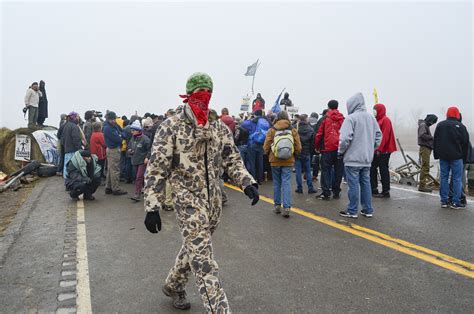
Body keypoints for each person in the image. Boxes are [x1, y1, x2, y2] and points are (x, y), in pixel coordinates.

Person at [143, 72, 259, 313]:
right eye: (199, 94)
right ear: (188, 95)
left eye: (208, 93)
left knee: (194, 248)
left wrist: (247, 182)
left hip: (214, 201)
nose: (203, 99)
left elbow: (231, 158)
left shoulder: (217, 126)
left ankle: (173, 284)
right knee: (205, 263)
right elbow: (156, 168)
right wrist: (152, 205)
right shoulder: (171, 127)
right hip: (187, 201)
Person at [338, 93, 382, 218]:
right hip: (367, 158)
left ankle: (352, 211)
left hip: (352, 159)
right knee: (366, 184)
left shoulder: (350, 118)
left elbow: (345, 138)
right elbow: (379, 136)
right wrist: (371, 148)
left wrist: (340, 151)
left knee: (353, 186)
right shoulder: (371, 118)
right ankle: (368, 210)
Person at [263, 110, 301, 217]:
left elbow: (266, 145)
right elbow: (298, 147)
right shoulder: (293, 130)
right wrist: (295, 153)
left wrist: (267, 153)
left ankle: (277, 206)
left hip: (274, 161)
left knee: (277, 183)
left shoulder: (272, 130)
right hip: (288, 160)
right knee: (286, 183)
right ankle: (287, 207)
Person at [433, 107, 470, 209]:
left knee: (444, 178)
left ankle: (444, 201)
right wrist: (465, 158)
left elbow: (435, 141)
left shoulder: (440, 125)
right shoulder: (461, 126)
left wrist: (436, 155)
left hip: (443, 156)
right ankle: (455, 202)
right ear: (457, 114)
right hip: (457, 157)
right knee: (457, 179)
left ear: (447, 114)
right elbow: (465, 143)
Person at [314, 100, 345, 200]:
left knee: (326, 170)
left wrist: (317, 146)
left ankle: (326, 192)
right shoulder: (342, 119)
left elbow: (319, 134)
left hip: (327, 148)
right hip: (339, 149)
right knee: (338, 171)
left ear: (328, 107)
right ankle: (336, 192)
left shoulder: (325, 118)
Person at [370, 103, 397, 198]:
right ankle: (373, 188)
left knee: (383, 169)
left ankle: (386, 191)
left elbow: (384, 136)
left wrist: (379, 149)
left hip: (384, 150)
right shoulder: (377, 120)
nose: (374, 111)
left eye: (375, 109)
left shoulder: (386, 120)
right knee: (372, 168)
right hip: (377, 149)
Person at [103, 111, 127, 196]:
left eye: (114, 119)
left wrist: (120, 135)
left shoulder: (113, 125)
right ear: (108, 119)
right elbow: (118, 139)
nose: (114, 120)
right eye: (112, 119)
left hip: (113, 149)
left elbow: (123, 132)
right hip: (113, 149)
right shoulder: (108, 128)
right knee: (115, 170)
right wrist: (121, 135)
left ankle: (108, 187)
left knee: (111, 169)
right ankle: (115, 188)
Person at [128, 121, 151, 202]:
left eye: (133, 130)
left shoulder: (145, 139)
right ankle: (146, 190)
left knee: (139, 177)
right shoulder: (132, 138)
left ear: (138, 130)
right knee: (140, 177)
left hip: (142, 161)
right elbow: (129, 147)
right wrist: (129, 151)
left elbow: (150, 149)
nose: (132, 132)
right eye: (131, 130)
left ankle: (137, 194)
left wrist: (147, 157)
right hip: (135, 160)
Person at [294, 114, 316, 194]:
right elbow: (313, 143)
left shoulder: (295, 129)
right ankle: (310, 188)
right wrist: (311, 151)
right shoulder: (310, 129)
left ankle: (299, 188)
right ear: (306, 120)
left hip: (297, 152)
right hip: (306, 152)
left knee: (298, 171)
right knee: (308, 171)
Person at [417, 114, 438, 192]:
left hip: (426, 148)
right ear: (430, 120)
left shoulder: (425, 125)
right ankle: (422, 186)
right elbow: (422, 135)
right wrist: (432, 138)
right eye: (433, 122)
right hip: (425, 148)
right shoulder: (423, 125)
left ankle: (422, 185)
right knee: (425, 166)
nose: (432, 124)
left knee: (425, 166)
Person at [248, 110, 270, 183]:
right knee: (260, 162)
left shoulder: (253, 121)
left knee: (252, 162)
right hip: (261, 143)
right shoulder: (266, 121)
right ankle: (260, 179)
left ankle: (254, 179)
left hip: (253, 143)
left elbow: (247, 128)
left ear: (255, 114)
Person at [61, 112, 83, 179]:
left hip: (67, 149)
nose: (78, 118)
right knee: (72, 167)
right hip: (73, 150)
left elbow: (61, 137)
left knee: (66, 167)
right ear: (74, 117)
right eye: (77, 117)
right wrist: (79, 149)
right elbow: (76, 139)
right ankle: (72, 183)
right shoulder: (74, 126)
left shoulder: (66, 125)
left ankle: (67, 182)